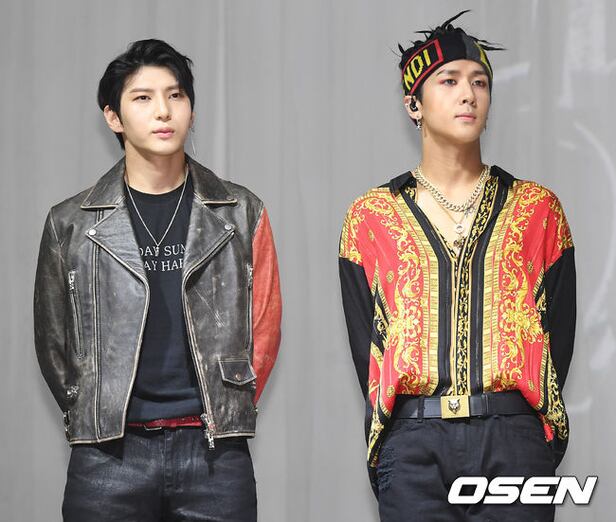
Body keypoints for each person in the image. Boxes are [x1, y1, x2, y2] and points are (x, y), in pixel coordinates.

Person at [338, 11, 575, 521]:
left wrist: (533, 434)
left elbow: (559, 335)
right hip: (413, 442)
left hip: (514, 436)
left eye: (479, 82)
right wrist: (393, 437)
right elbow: (367, 345)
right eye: (448, 81)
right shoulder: (370, 217)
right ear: (413, 104)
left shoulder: (538, 209)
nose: (468, 94)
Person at [33, 39, 281, 522]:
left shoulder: (240, 212)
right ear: (113, 117)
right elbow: (53, 342)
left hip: (214, 454)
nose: (163, 111)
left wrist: (230, 403)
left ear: (191, 109)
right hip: (108, 455)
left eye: (176, 95)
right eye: (143, 98)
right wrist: (92, 406)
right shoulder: (70, 223)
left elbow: (265, 327)